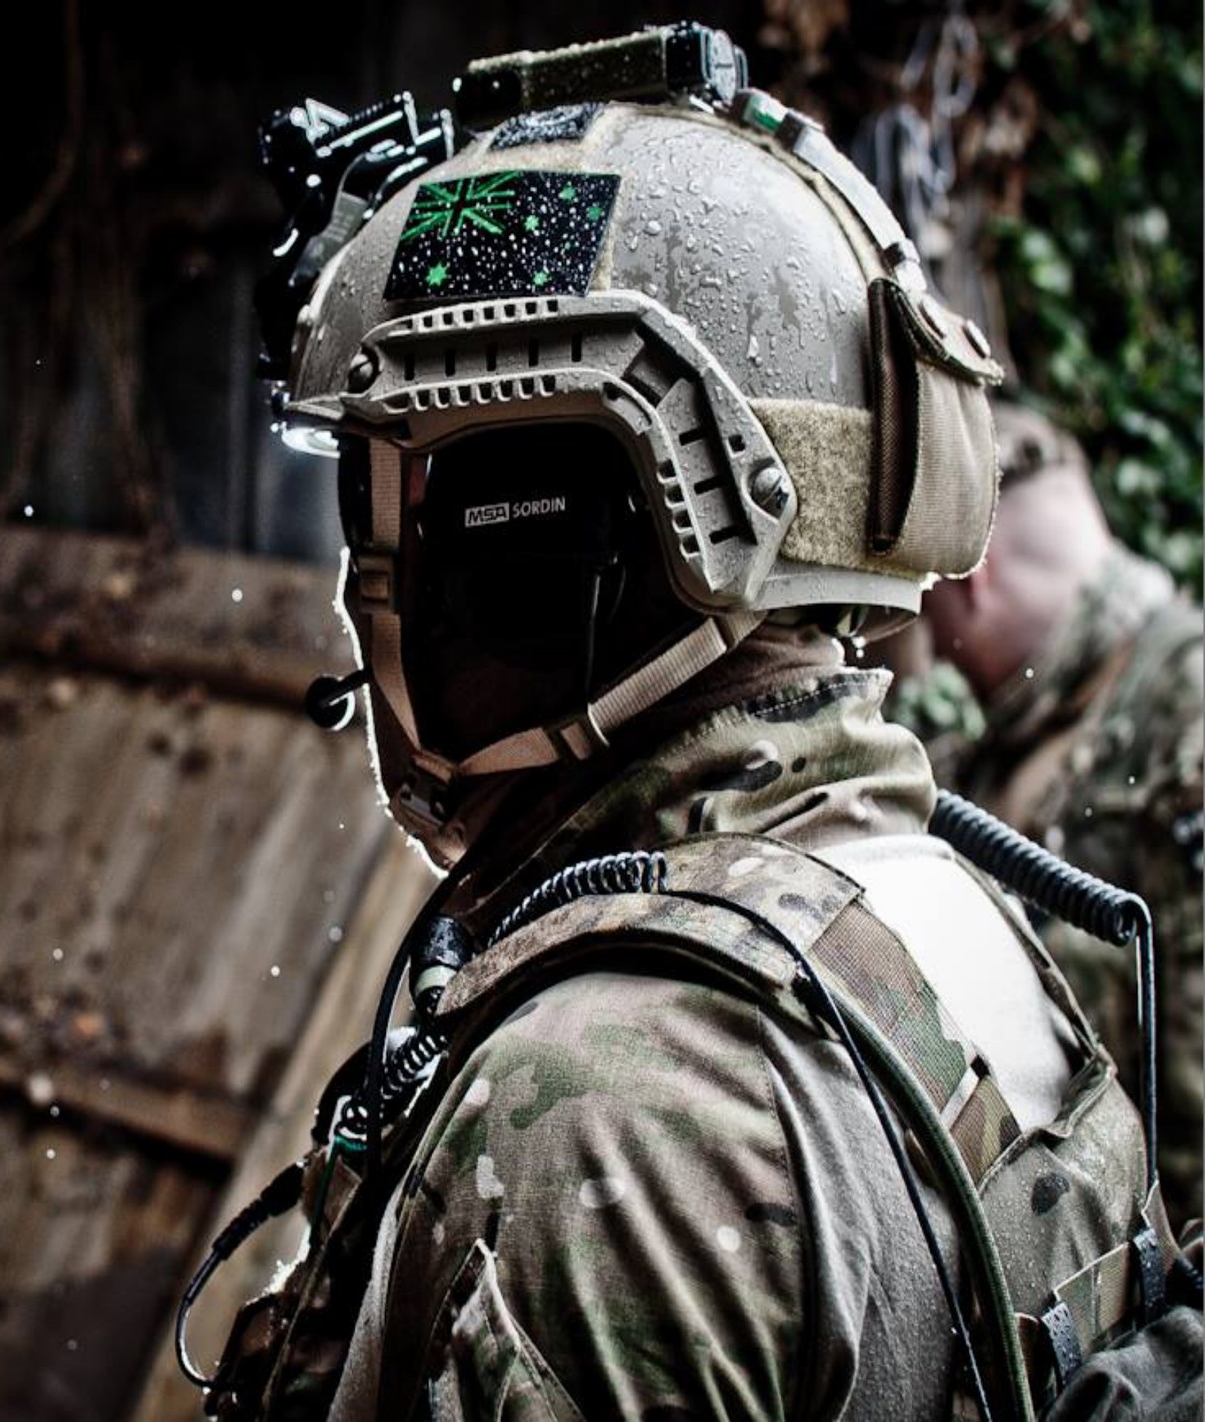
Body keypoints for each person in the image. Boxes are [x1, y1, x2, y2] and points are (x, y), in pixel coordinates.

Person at [186, 25, 1202, 1422]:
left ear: (550, 551)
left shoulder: (602, 1122)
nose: (384, 592)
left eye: (411, 509)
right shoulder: (961, 909)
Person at [921, 401, 1205, 1224]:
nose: (936, 652)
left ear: (972, 580)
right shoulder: (1025, 740)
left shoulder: (1180, 716)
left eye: (930, 617)